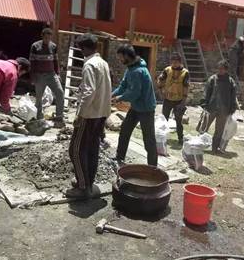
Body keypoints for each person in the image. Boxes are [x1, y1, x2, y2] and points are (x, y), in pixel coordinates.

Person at [66, 34, 112, 198]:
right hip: (101, 114)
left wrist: (80, 115)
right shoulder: (103, 63)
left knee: (76, 151)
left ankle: (83, 187)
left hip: (89, 115)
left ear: (84, 48)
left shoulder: (90, 65)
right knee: (92, 150)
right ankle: (87, 181)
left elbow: (89, 92)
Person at [112, 44, 157, 166]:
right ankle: (119, 157)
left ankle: (153, 167)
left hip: (146, 109)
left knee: (149, 140)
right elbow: (123, 86)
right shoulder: (130, 68)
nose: (120, 60)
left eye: (120, 57)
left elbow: (134, 93)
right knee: (125, 131)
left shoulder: (138, 71)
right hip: (136, 107)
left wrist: (119, 98)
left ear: (127, 56)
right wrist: (111, 95)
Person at [29, 28, 65, 124]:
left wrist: (58, 74)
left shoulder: (53, 47)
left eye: (49, 38)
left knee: (60, 93)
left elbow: (55, 61)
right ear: (42, 36)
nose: (47, 40)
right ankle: (39, 117)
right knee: (39, 97)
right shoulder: (35, 46)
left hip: (51, 74)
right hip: (39, 75)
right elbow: (32, 62)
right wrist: (32, 76)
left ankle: (59, 116)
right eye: (45, 37)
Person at [201, 60, 237, 152]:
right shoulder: (213, 79)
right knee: (204, 127)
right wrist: (204, 103)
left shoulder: (230, 81)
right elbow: (207, 91)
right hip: (211, 108)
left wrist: (232, 107)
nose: (220, 71)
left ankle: (214, 148)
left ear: (226, 70)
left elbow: (233, 96)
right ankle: (199, 145)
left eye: (222, 69)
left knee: (219, 131)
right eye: (219, 69)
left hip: (224, 110)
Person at [157, 53, 189, 144]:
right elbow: (160, 79)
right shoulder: (167, 70)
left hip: (179, 100)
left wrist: (183, 102)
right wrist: (160, 91)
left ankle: (180, 138)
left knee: (179, 121)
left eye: (176, 62)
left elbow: (186, 86)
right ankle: (162, 137)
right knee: (164, 119)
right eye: (173, 62)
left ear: (180, 62)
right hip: (167, 99)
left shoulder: (185, 72)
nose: (174, 64)